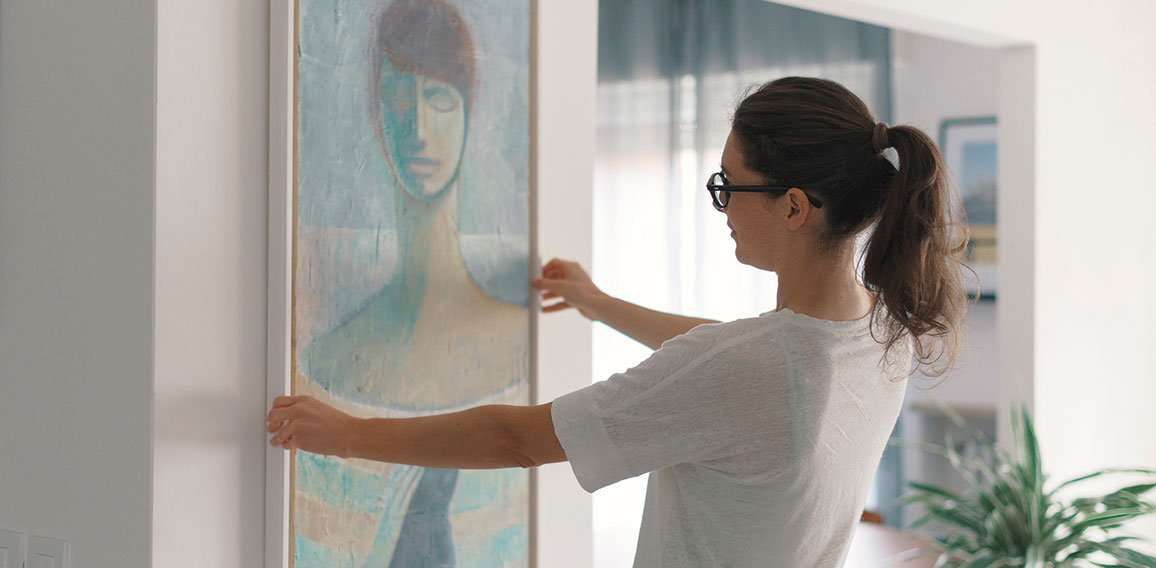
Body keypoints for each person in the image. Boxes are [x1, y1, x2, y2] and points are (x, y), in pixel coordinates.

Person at [269, 76, 969, 567]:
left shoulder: (748, 367)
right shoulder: (885, 332)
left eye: (727, 186)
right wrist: (598, 303)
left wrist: (348, 431)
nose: (720, 206)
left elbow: (517, 439)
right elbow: (728, 359)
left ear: (794, 206)